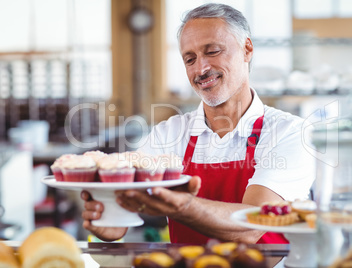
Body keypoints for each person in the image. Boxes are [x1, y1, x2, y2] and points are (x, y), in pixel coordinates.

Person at [81, 3, 315, 244]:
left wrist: (183, 206)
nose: (200, 69)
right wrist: (109, 221)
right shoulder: (168, 134)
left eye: (212, 51)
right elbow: (122, 208)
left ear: (247, 49)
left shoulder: (290, 132)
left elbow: (254, 223)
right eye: (190, 59)